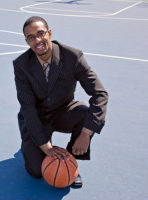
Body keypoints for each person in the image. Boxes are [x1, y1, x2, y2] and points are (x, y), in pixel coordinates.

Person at [13, 16, 108, 187]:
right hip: (37, 117)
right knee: (35, 171)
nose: (38, 40)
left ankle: (69, 162)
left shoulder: (73, 57)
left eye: (41, 34)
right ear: (27, 41)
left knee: (85, 115)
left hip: (63, 110)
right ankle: (35, 145)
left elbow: (100, 94)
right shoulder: (21, 65)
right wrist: (45, 146)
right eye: (31, 37)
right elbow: (28, 108)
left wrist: (87, 132)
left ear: (49, 33)